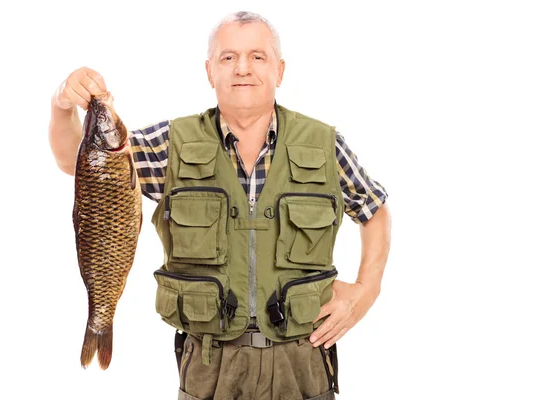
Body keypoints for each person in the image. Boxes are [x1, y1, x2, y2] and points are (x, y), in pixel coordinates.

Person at [49, 11, 391, 400]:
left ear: (279, 71)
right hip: (209, 368)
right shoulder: (170, 145)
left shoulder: (323, 144)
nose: (242, 68)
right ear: (210, 71)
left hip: (303, 362)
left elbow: (374, 209)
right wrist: (62, 103)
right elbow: (74, 161)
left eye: (257, 57)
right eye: (228, 58)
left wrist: (367, 290)